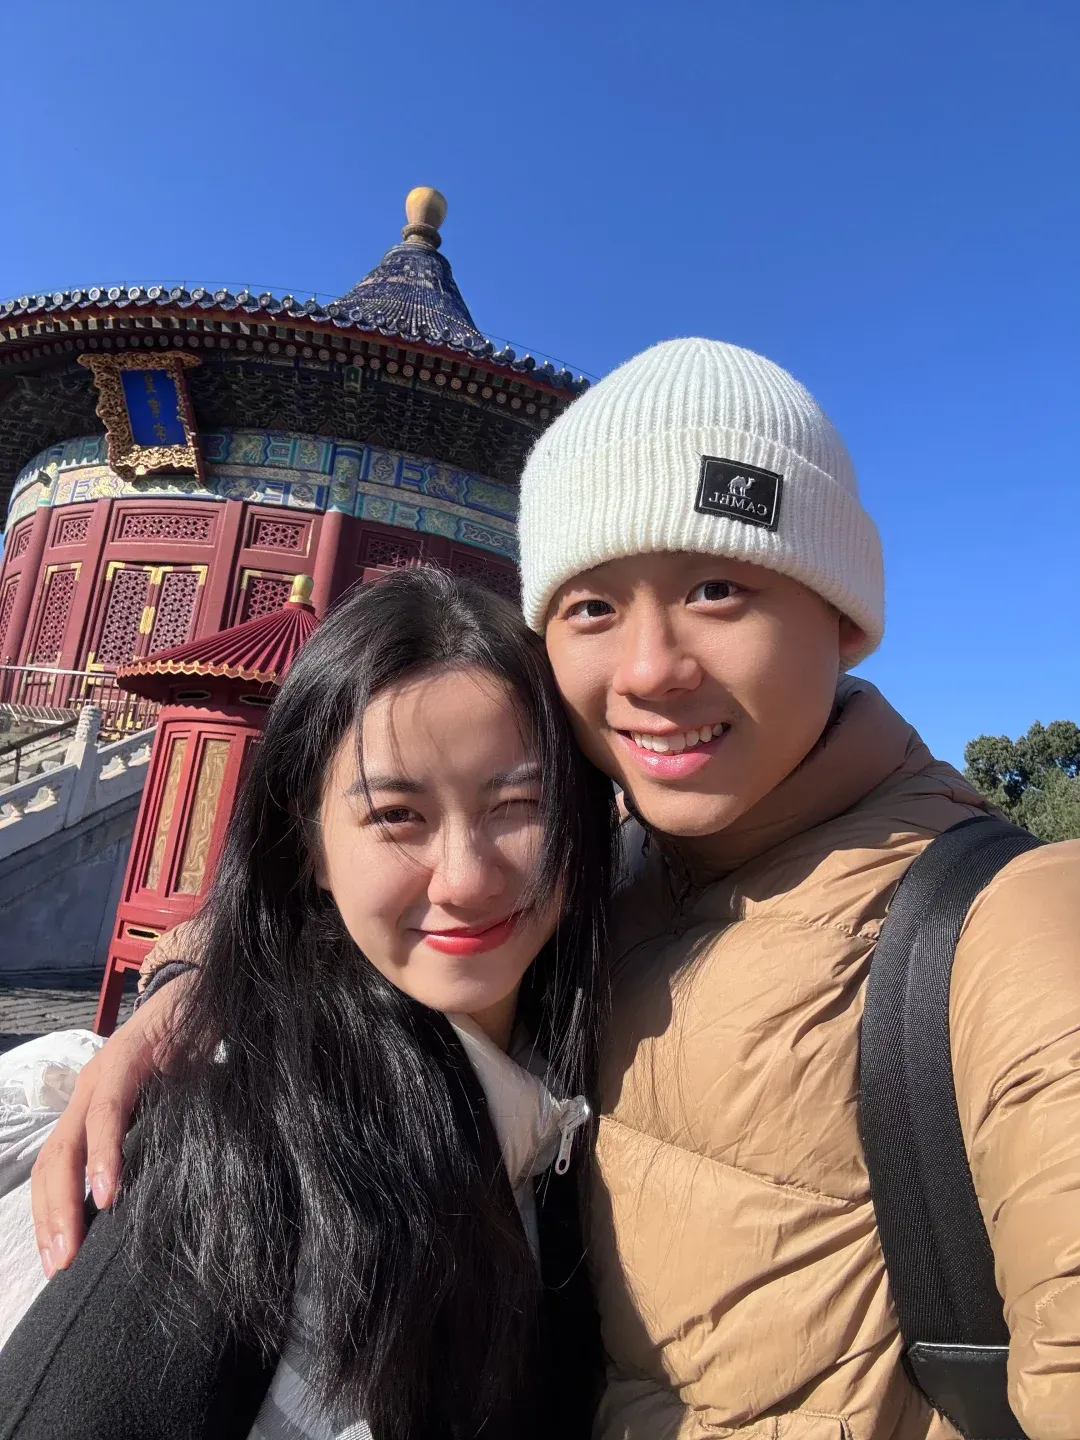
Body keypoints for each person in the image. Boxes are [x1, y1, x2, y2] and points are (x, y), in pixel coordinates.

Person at [29, 339, 1080, 1438]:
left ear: (844, 614)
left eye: (718, 588)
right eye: (589, 608)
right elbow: (333, 895)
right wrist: (188, 999)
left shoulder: (1011, 926)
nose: (649, 670)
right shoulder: (599, 861)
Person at [0, 566, 616, 1439]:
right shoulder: (235, 1143)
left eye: (520, 802)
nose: (467, 878)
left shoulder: (573, 1082)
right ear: (311, 842)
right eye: (396, 815)